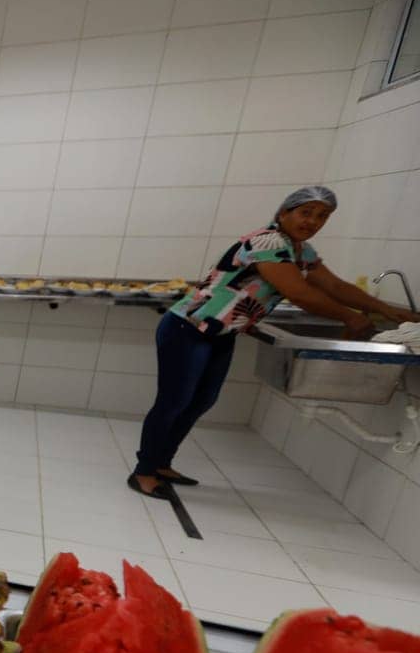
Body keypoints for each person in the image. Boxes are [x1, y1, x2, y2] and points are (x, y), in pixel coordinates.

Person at [130, 185, 418, 498]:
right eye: (305, 212)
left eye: (322, 216)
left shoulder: (300, 251)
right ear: (284, 213)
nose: (312, 221)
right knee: (174, 401)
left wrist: (389, 310)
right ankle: (143, 472)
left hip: (220, 333)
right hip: (189, 328)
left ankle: (161, 463)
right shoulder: (267, 241)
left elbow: (336, 286)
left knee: (200, 401)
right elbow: (299, 293)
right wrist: (350, 317)